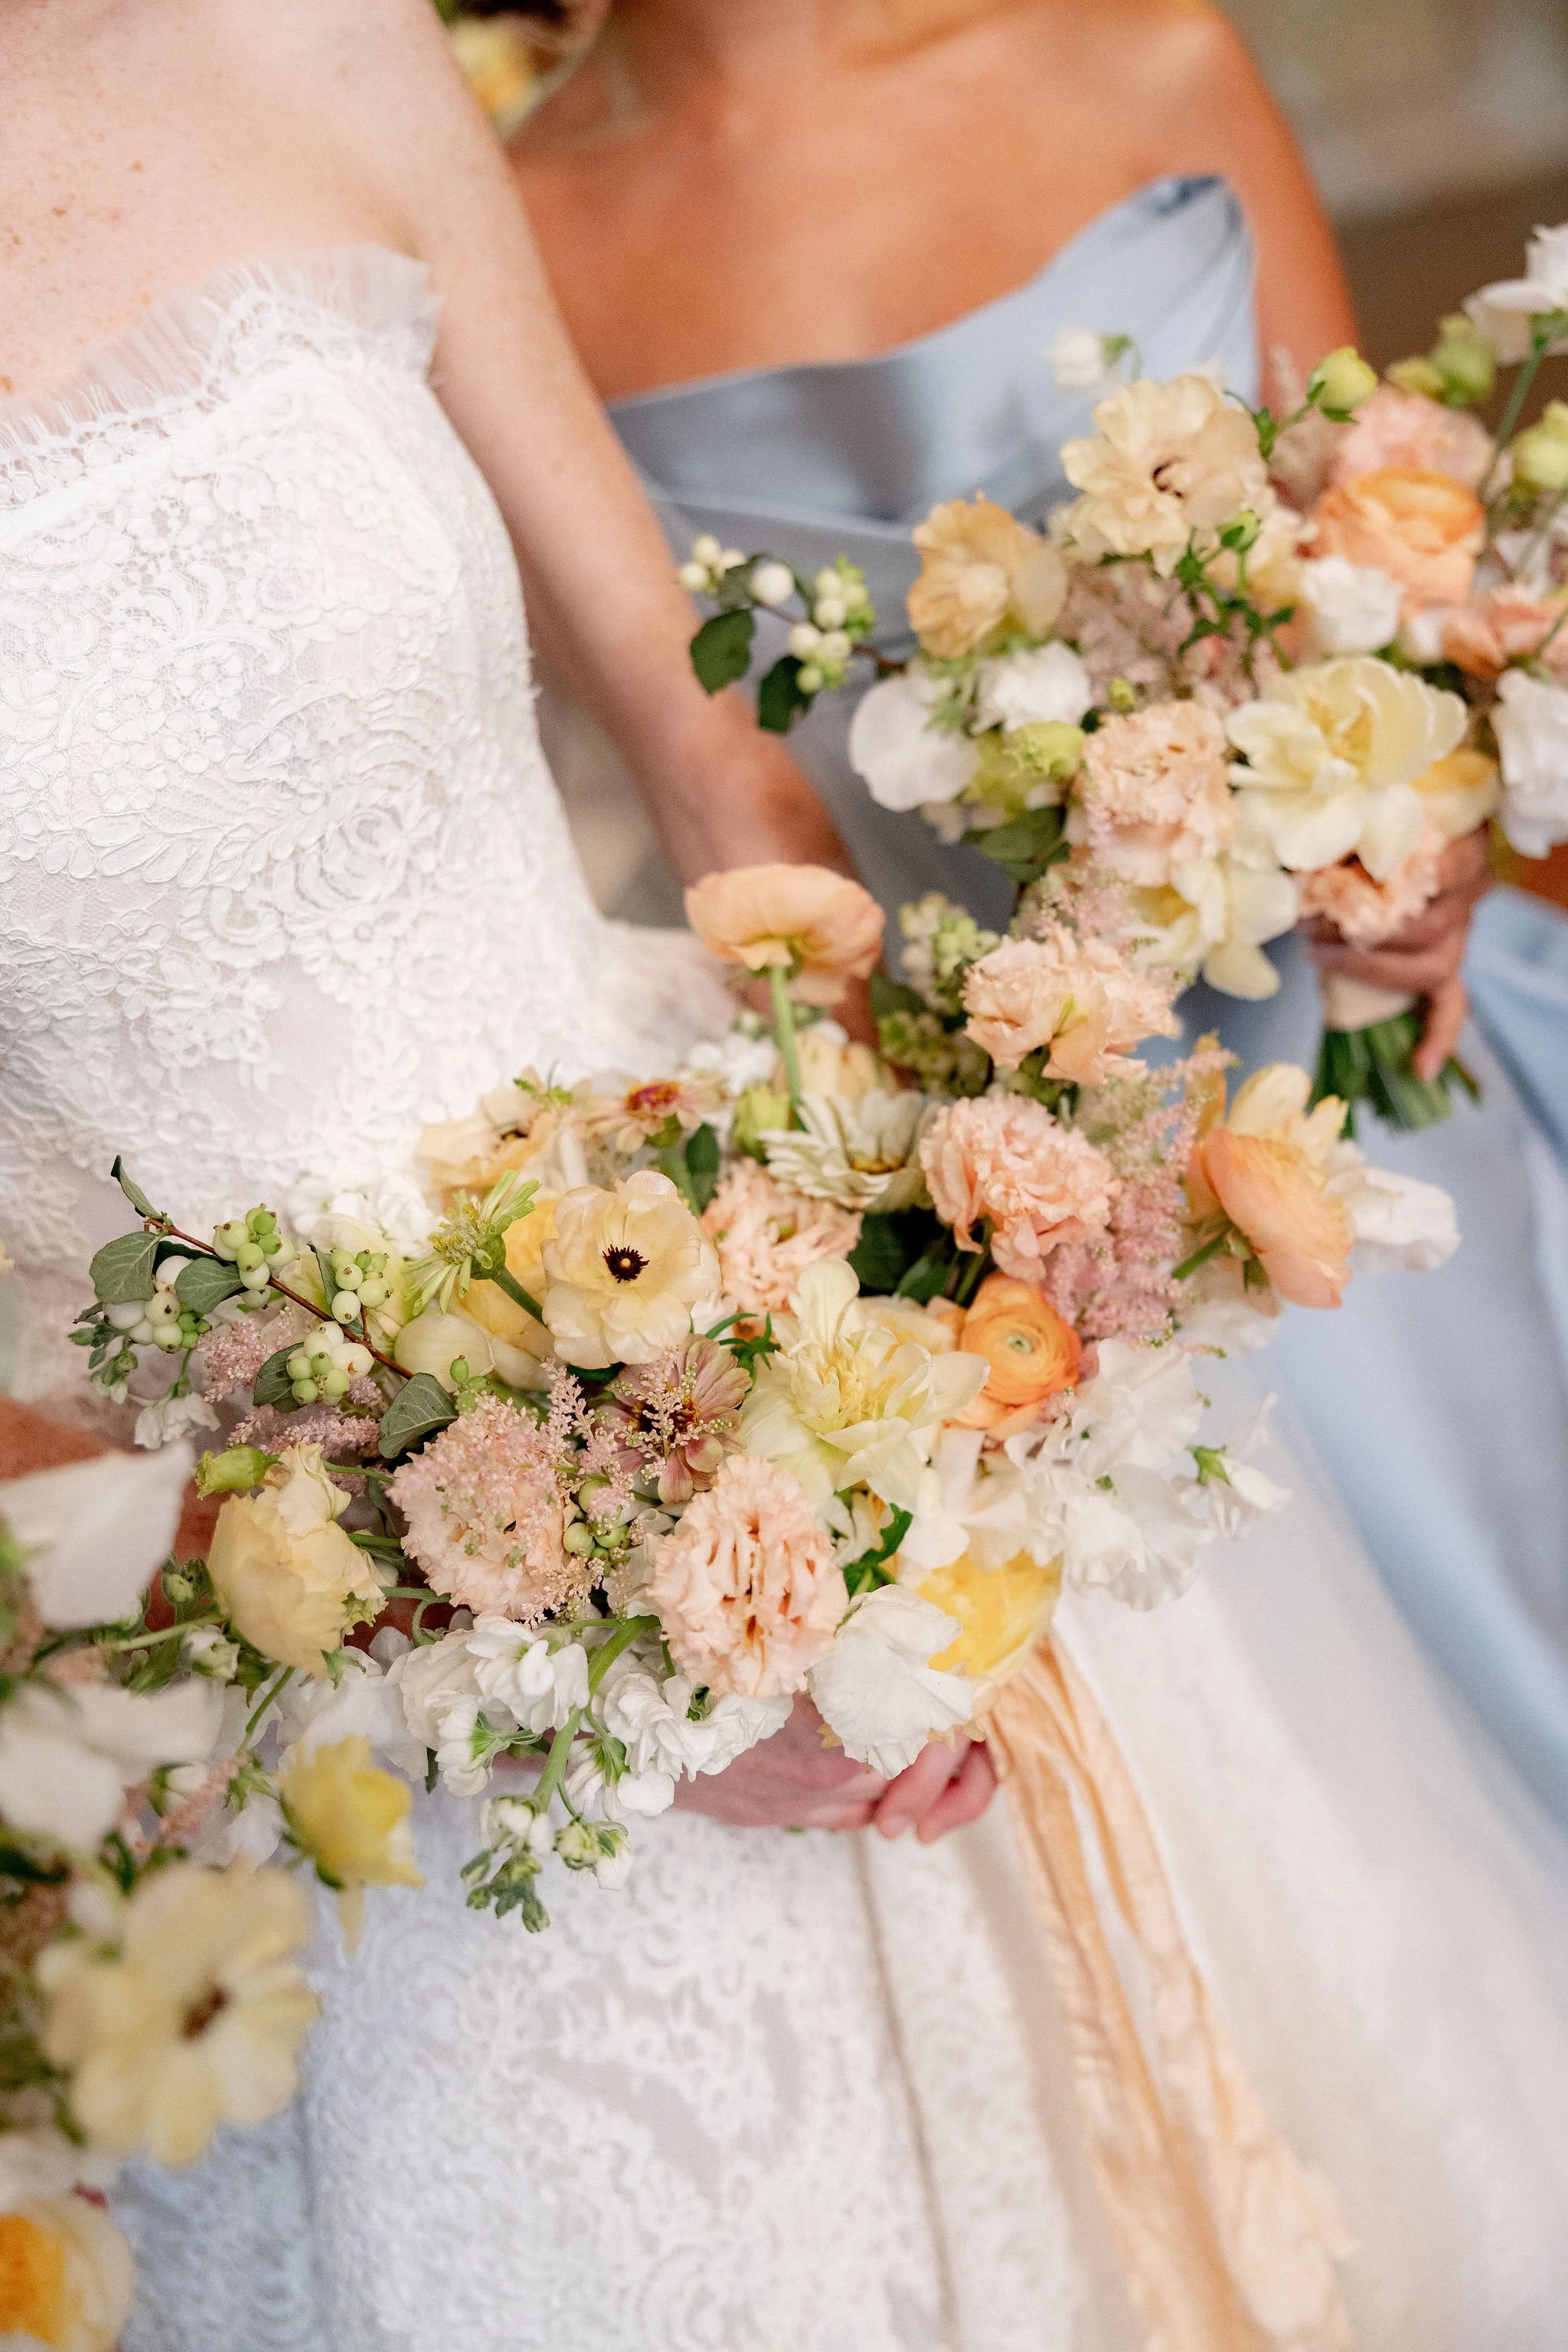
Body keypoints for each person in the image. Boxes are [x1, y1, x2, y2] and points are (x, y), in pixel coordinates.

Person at [512, 0, 1568, 1836]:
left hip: (1368, 1082)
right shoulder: (505, 232)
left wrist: (1421, 848)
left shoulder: (1141, 54)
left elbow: (1385, 582)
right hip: (988, 1224)